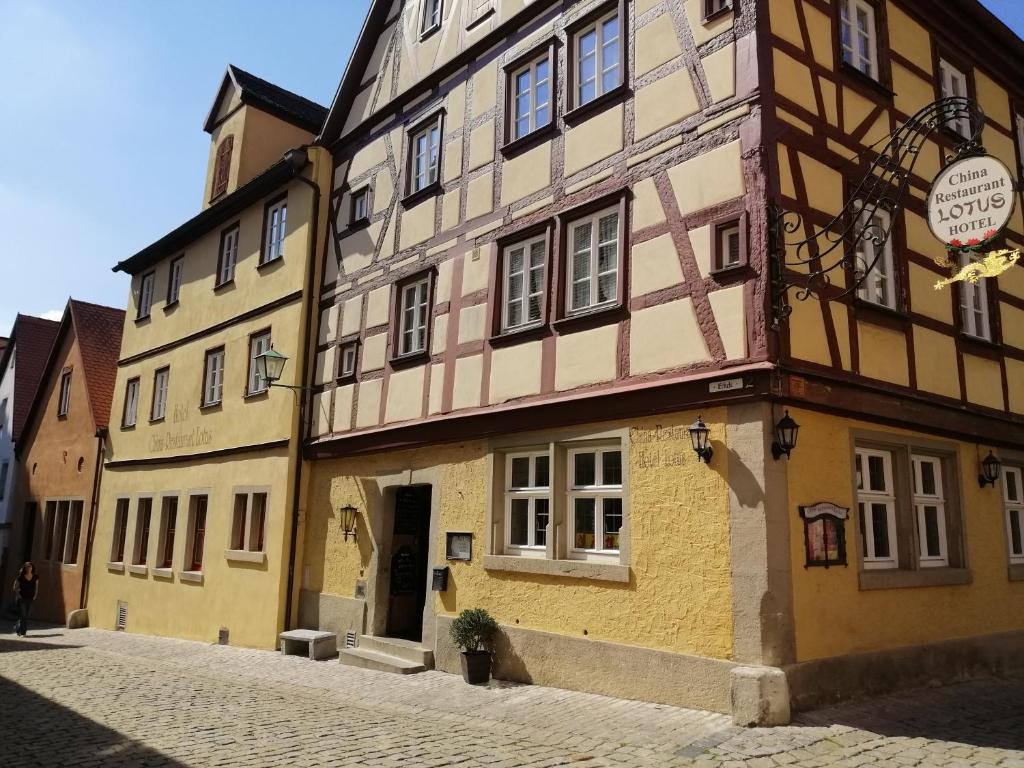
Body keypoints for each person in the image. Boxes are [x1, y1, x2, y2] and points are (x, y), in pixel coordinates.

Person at [12, 562, 38, 637]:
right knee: (23, 615)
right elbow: (14, 587)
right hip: (22, 599)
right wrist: (19, 595)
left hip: (31, 598)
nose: (29, 568)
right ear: (25, 568)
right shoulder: (20, 577)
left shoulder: (36, 576)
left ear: (32, 568)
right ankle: (23, 632)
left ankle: (17, 626)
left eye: (30, 567)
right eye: (27, 567)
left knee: (27, 615)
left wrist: (35, 595)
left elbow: (36, 587)